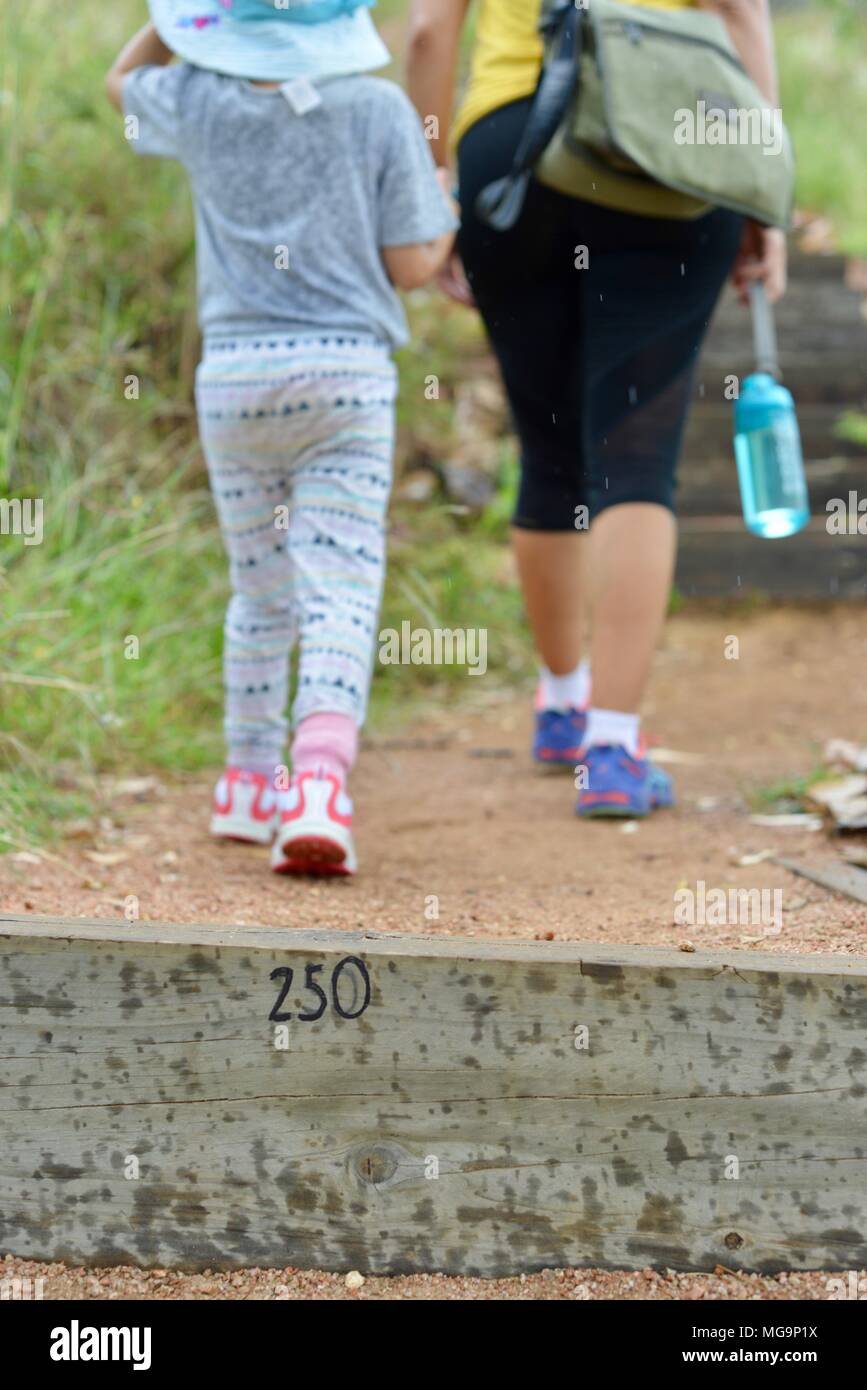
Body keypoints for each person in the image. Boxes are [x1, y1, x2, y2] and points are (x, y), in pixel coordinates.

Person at [407, 0, 787, 818]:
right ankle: (611, 747)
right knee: (635, 456)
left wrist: (432, 183)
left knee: (548, 448)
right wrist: (763, 194)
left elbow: (428, 32)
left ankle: (560, 703)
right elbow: (742, 16)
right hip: (667, 140)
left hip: (512, 145)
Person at [106, 0, 457, 875]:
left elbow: (119, 85)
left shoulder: (196, 100)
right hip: (345, 377)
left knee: (258, 588)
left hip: (234, 377)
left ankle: (246, 782)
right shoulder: (376, 110)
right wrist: (444, 203)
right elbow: (414, 264)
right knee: (338, 580)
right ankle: (318, 787)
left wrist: (180, 21)